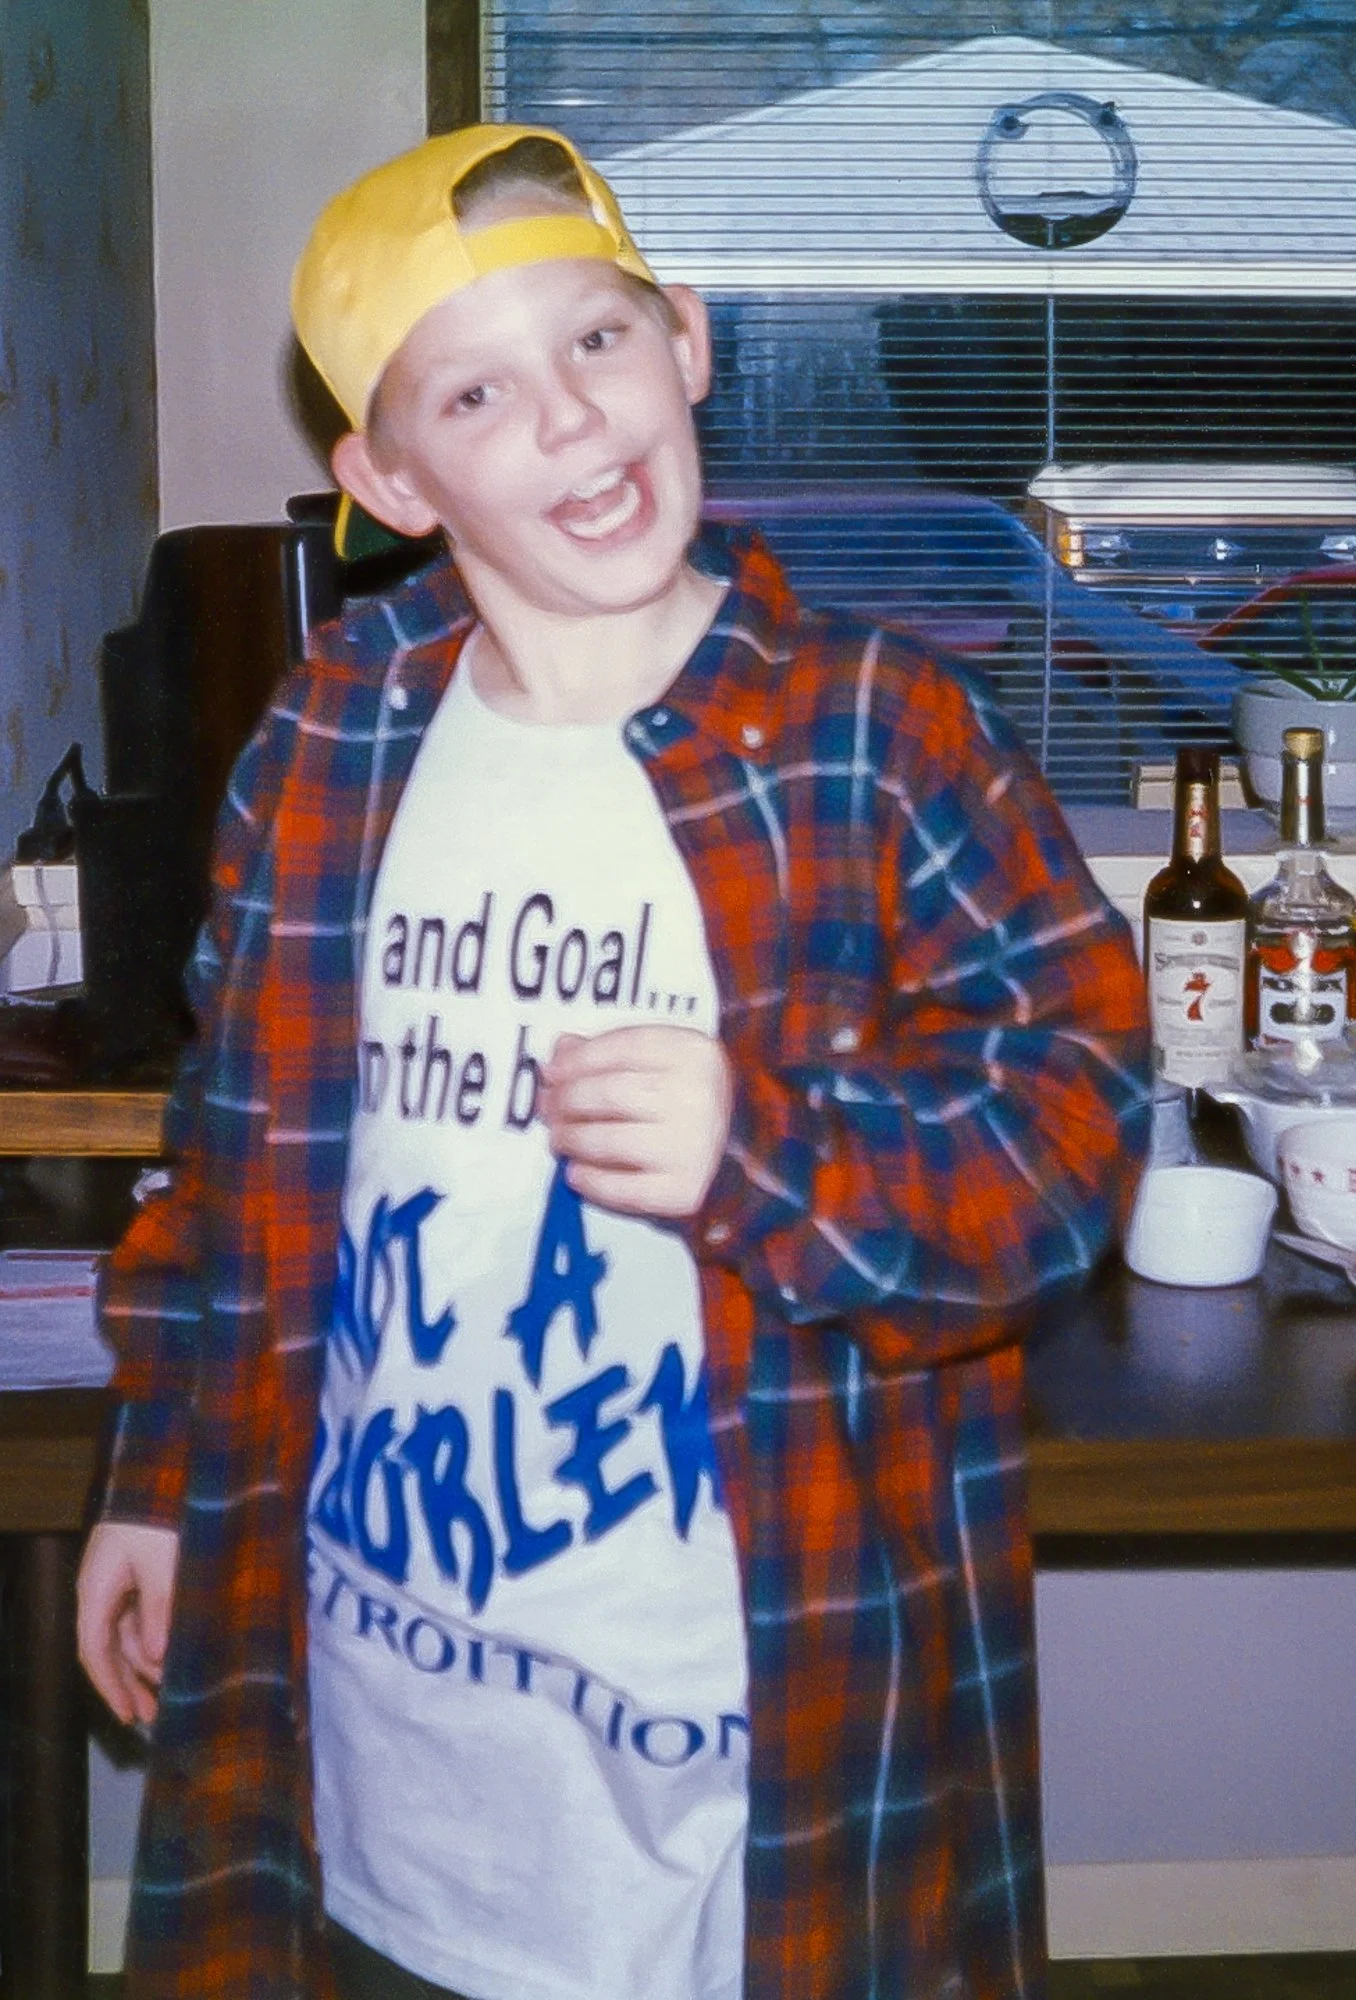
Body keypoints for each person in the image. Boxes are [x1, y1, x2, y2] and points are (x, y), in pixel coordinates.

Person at [77, 123, 1149, 2000]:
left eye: (597, 341)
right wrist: (154, 1478)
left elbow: (1072, 1142)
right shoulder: (329, 741)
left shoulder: (878, 737)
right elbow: (230, 1171)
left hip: (766, 1746)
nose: (571, 419)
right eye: (476, 391)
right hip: (379, 1729)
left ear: (690, 343)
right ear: (390, 481)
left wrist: (768, 1149)